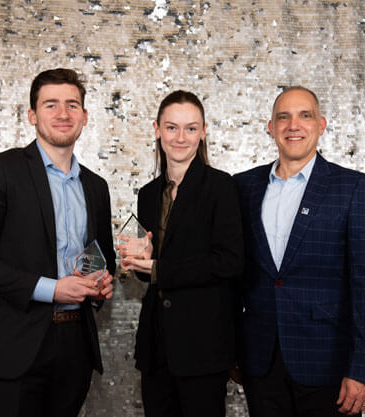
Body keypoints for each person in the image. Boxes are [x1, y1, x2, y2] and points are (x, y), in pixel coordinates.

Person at [0, 68, 115, 417]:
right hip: (14, 344)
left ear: (85, 117)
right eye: (51, 104)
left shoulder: (95, 186)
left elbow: (99, 258)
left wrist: (101, 282)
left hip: (76, 346)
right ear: (32, 115)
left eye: (72, 105)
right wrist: (52, 289)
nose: (63, 114)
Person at [233, 86, 365, 417]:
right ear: (270, 127)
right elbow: (232, 276)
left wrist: (363, 370)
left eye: (305, 116)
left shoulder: (354, 188)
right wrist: (231, 350)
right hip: (260, 363)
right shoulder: (242, 187)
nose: (294, 125)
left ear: (321, 124)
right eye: (283, 117)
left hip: (328, 365)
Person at [117, 90, 244, 417]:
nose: (180, 137)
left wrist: (158, 268)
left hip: (203, 346)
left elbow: (230, 261)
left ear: (204, 133)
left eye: (191, 128)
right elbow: (147, 265)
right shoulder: (147, 194)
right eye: (172, 127)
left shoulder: (222, 187)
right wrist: (133, 260)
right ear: (157, 130)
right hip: (156, 345)